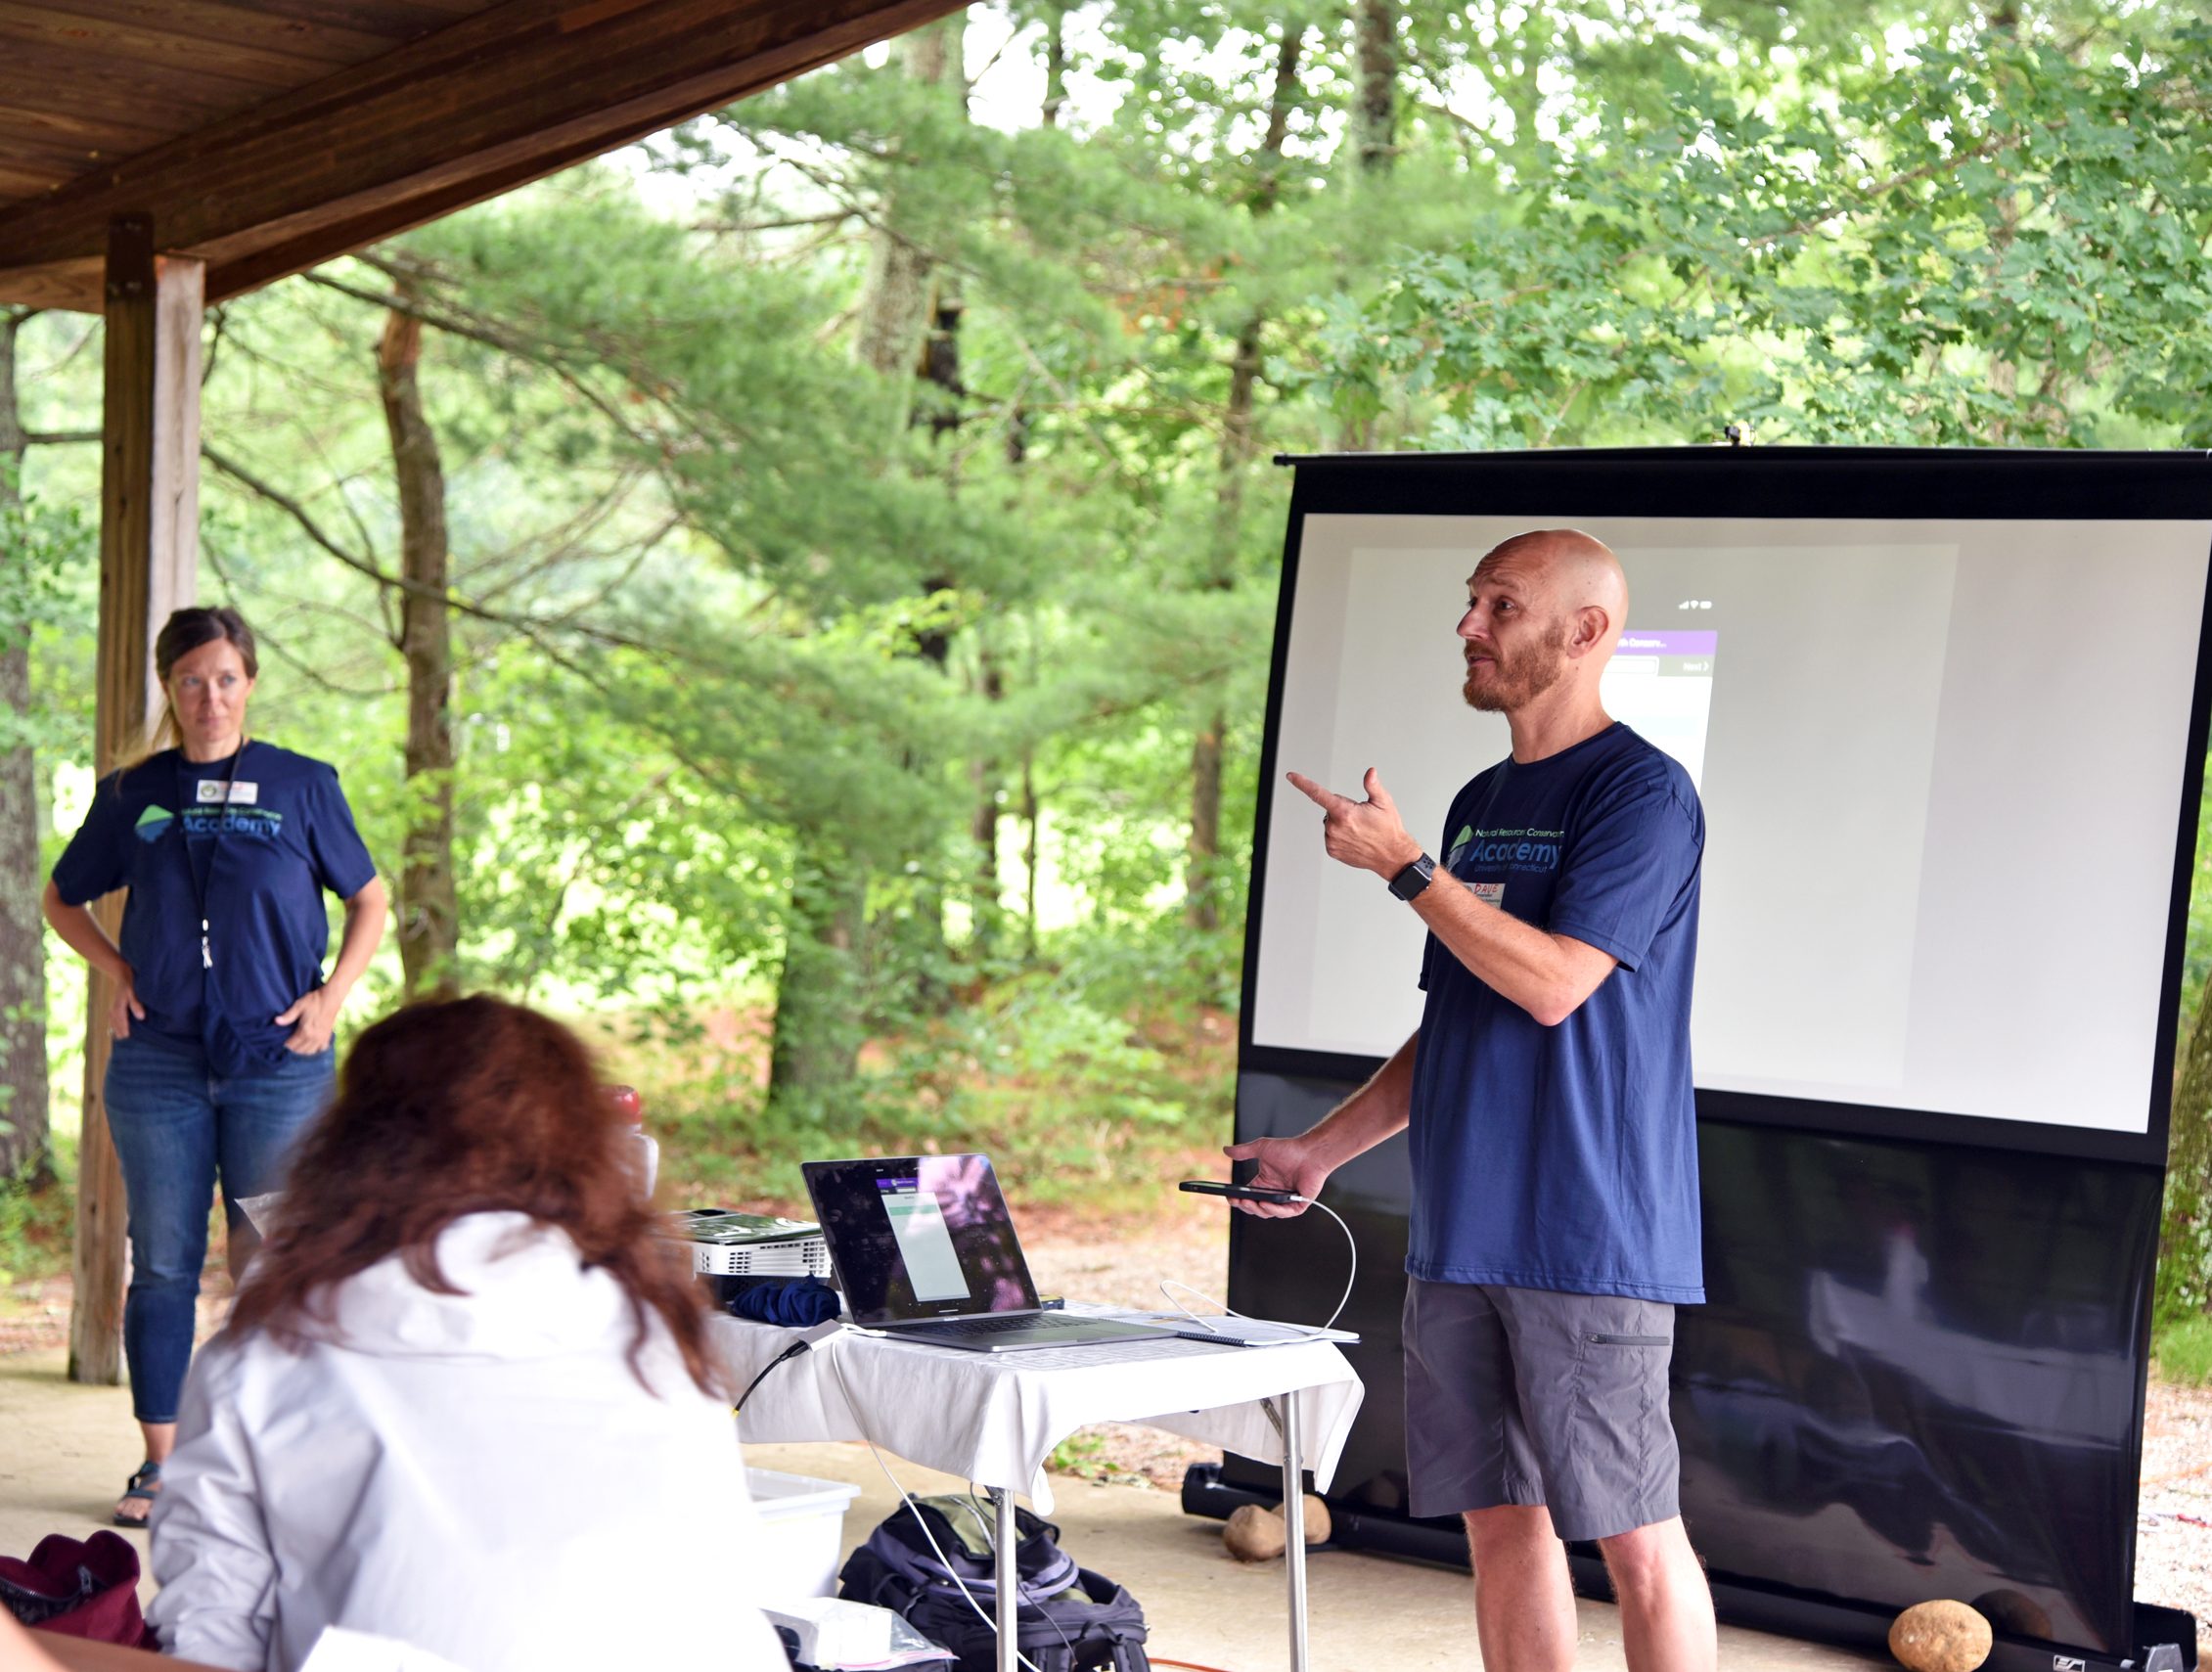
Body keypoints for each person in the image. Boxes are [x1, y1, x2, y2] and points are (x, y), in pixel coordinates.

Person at [1233, 529, 1715, 1672]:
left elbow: (1553, 983)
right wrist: (1318, 1148)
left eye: (1501, 605)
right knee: (1500, 1520)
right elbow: (1461, 1012)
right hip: (1460, 1232)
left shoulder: (1641, 792)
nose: (1469, 626)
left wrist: (1407, 868)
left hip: (1587, 1233)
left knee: (1634, 1533)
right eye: (1471, 602)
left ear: (1584, 632)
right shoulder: (1479, 798)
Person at [144, 996, 789, 1672]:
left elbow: (211, 1625)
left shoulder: (261, 1356)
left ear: (350, 1146)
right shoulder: (652, 1333)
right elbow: (726, 1574)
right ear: (579, 1148)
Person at [40, 607, 387, 1526]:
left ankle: (262, 1453)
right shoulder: (132, 794)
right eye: (191, 680)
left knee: (273, 1261)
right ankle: (160, 1466)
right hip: (158, 1066)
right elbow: (60, 896)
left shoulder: (302, 784)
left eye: (226, 677)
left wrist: (333, 997)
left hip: (281, 1062)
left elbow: (369, 899)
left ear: (251, 682)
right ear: (169, 688)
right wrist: (116, 967)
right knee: (162, 1262)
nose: (210, 697)